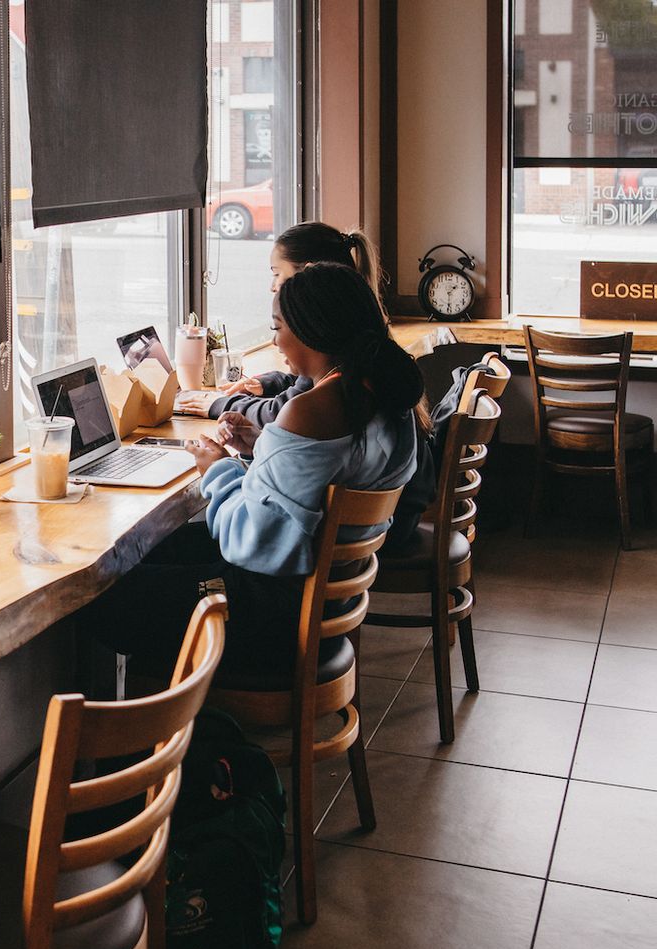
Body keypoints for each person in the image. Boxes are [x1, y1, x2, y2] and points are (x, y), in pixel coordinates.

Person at [81, 261, 421, 688]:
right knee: (148, 551)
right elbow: (314, 478)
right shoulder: (381, 394)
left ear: (313, 330)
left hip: (269, 613)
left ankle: (147, 735)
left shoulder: (313, 407)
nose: (275, 340)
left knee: (106, 597)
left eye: (278, 327)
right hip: (319, 601)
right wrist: (263, 443)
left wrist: (217, 468)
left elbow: (255, 542)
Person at [175, 221, 387, 451]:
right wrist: (268, 383)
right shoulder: (359, 333)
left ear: (307, 275)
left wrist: (220, 405)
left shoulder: (330, 358)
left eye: (277, 274)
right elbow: (302, 386)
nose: (273, 287)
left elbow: (283, 411)